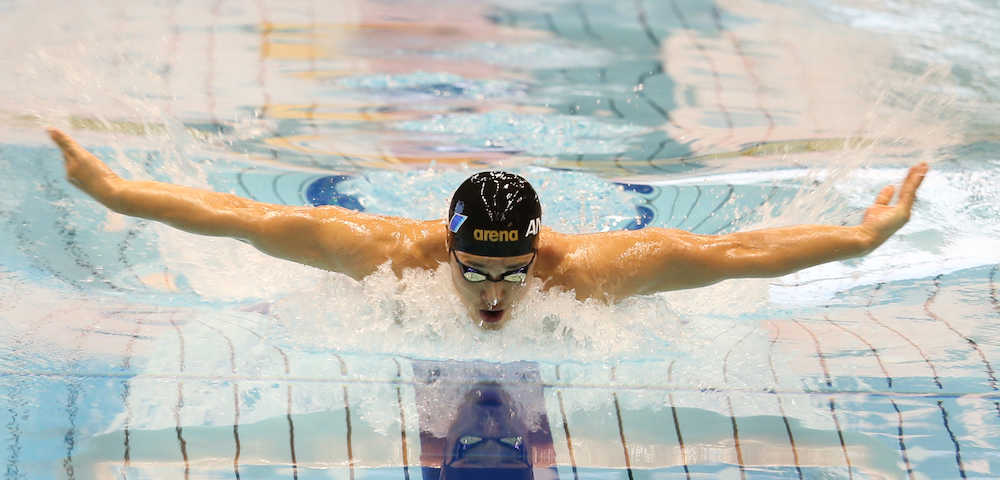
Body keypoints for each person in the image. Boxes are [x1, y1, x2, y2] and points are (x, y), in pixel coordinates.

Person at [48, 129, 928, 329]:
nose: (497, 293)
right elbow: (240, 218)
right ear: (448, 244)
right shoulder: (378, 254)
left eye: (513, 272)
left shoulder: (587, 272)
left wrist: (861, 240)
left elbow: (732, 254)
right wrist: (115, 190)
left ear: (540, 249)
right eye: (476, 273)